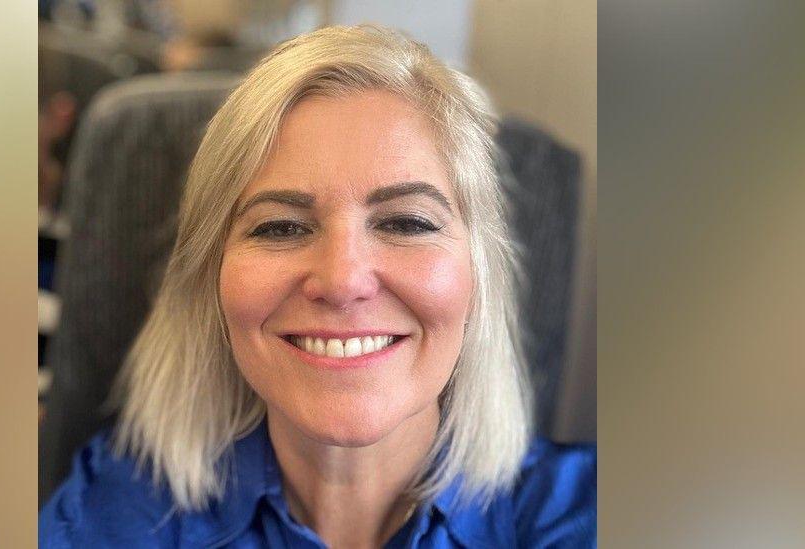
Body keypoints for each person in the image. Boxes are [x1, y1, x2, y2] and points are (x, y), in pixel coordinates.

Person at [39, 25, 596, 548]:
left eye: (407, 223)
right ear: (213, 278)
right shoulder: (110, 517)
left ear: (478, 275)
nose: (342, 281)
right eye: (280, 227)